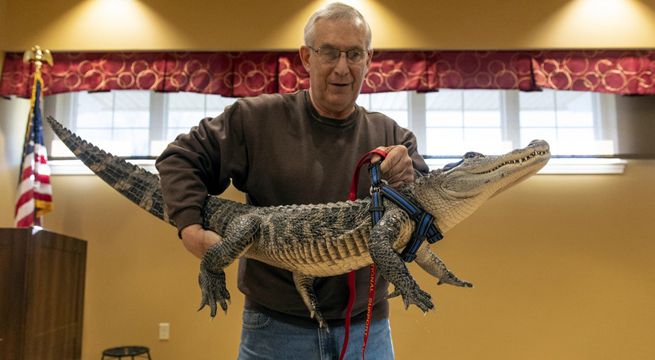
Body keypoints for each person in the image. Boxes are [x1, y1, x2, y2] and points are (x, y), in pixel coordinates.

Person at [155, 2, 429, 359]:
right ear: (306, 57)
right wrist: (190, 229)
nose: (342, 68)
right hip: (275, 328)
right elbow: (180, 159)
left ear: (369, 59)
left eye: (354, 54)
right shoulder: (254, 119)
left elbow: (425, 210)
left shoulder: (392, 135)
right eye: (329, 52)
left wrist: (409, 177)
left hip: (367, 328)